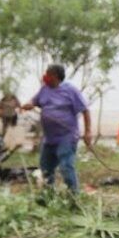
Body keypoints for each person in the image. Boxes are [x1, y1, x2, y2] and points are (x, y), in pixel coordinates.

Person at [21, 64, 91, 193]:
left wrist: (88, 132)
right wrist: (29, 104)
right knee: (45, 168)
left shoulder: (71, 91)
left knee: (66, 166)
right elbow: (34, 101)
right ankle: (48, 195)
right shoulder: (44, 89)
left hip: (67, 137)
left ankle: (74, 196)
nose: (45, 77)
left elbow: (85, 110)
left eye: (48, 74)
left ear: (56, 77)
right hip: (49, 138)